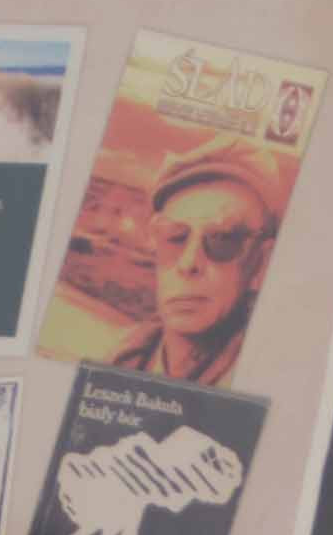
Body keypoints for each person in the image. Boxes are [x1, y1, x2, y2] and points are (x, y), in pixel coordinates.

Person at [111, 135, 288, 388]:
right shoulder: (121, 356)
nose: (188, 264)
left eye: (222, 239)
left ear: (262, 263)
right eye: (174, 237)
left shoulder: (263, 380)